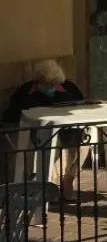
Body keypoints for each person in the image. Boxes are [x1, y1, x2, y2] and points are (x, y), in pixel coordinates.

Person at [1, 61, 86, 194]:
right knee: (32, 146)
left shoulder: (67, 87)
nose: (51, 87)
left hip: (64, 131)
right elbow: (10, 115)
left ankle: (69, 178)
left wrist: (61, 94)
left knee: (85, 142)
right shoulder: (26, 90)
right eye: (47, 84)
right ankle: (35, 187)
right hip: (33, 133)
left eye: (54, 83)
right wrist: (32, 96)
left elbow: (80, 104)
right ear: (38, 82)